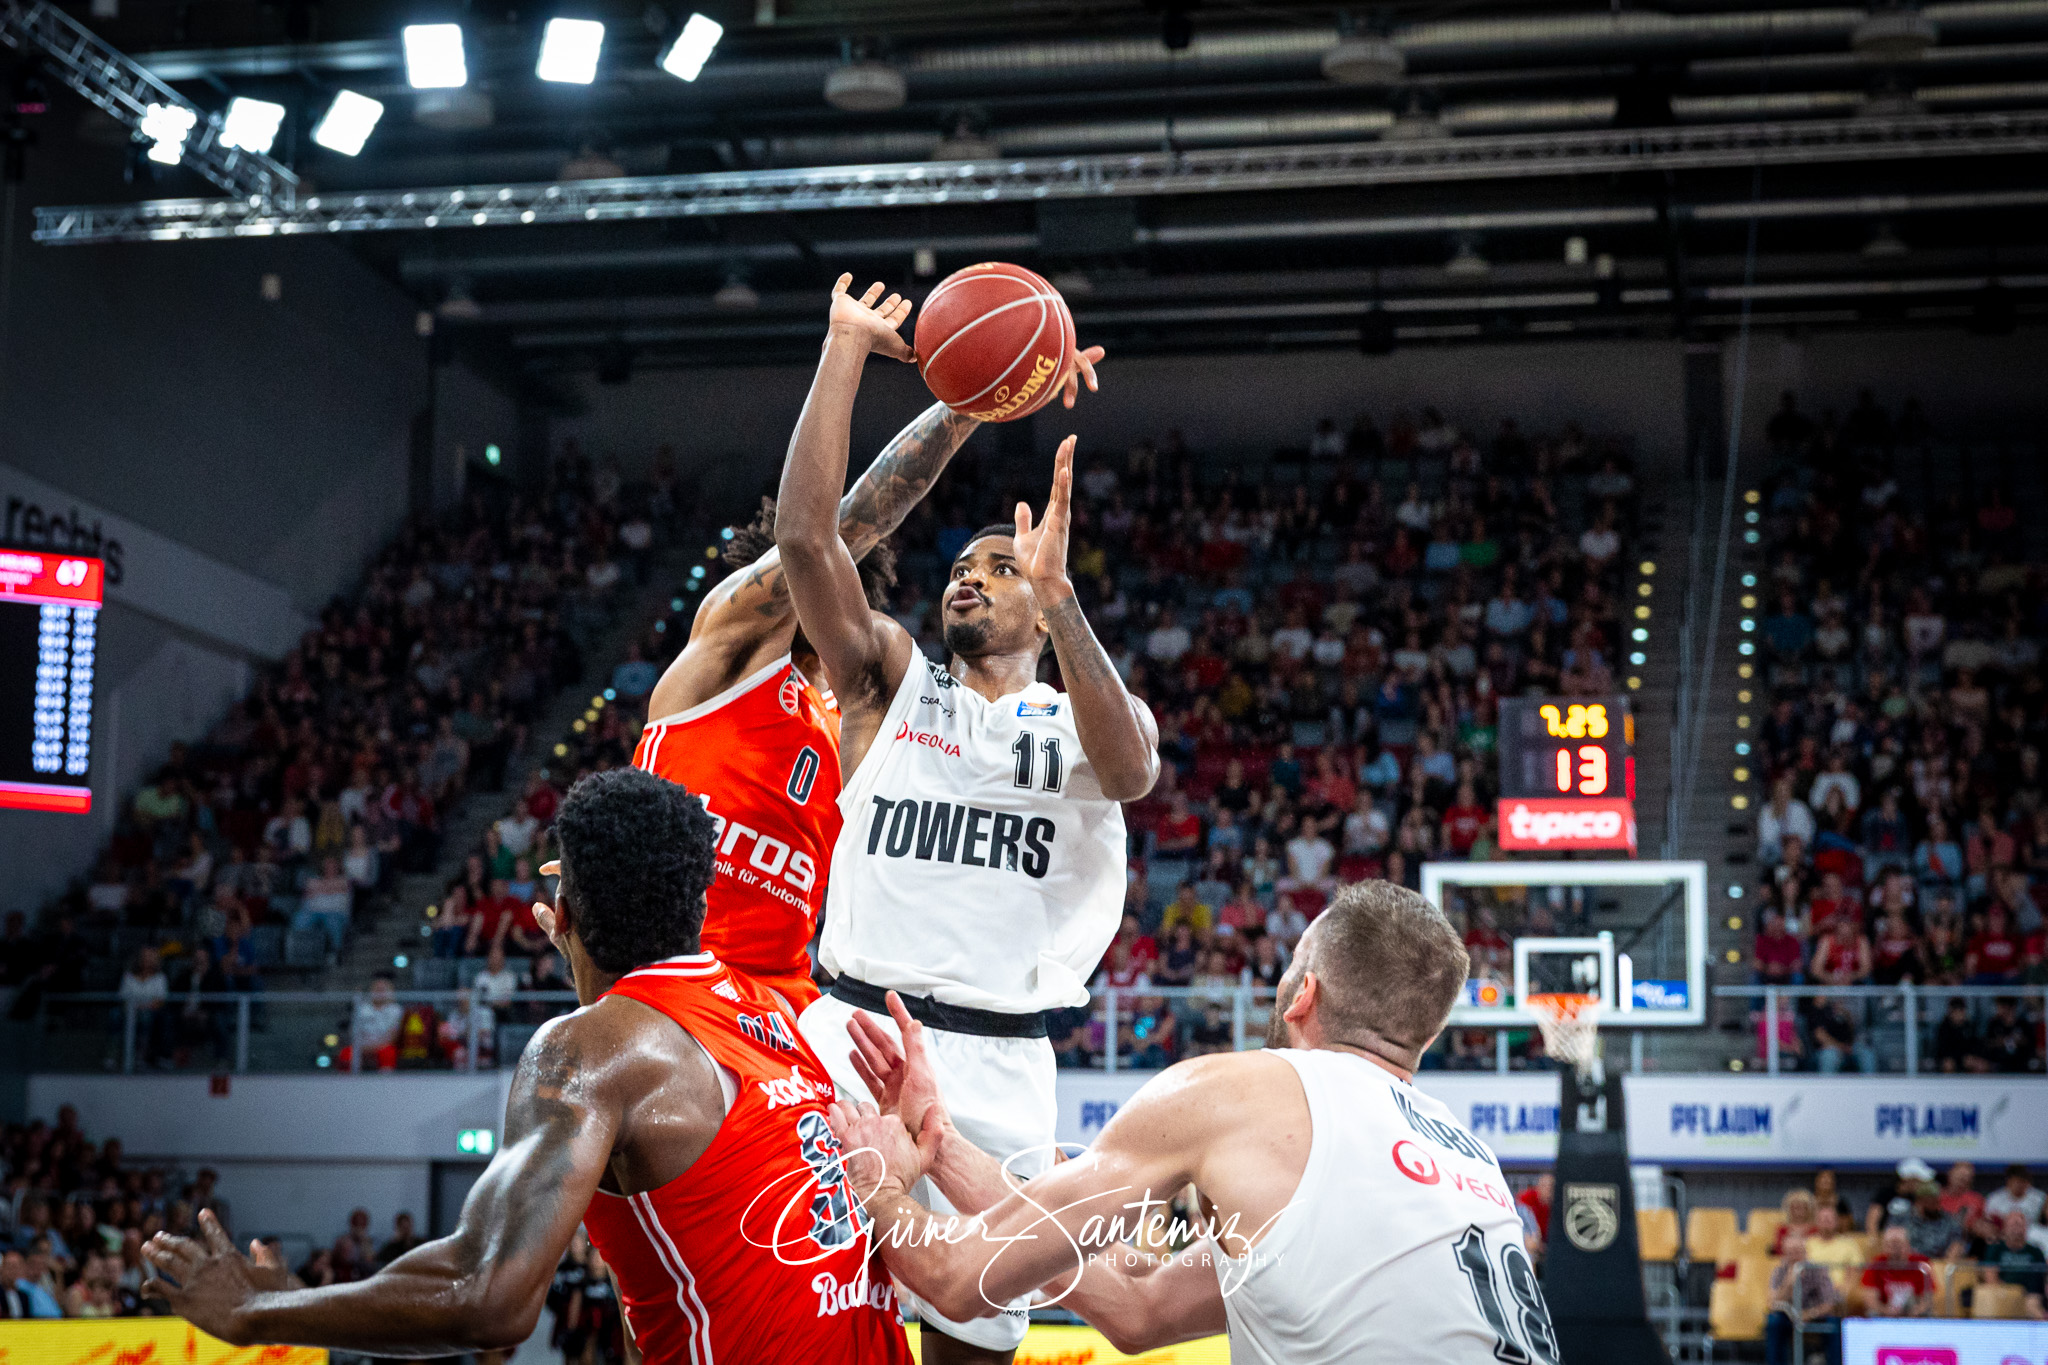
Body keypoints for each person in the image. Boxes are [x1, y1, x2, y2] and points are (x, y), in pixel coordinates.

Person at [141, 767, 909, 1363]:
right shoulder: (773, 1013)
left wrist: (259, 1310)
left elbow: (490, 1295)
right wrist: (594, 951)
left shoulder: (587, 1050)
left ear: (563, 912)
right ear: (699, 905)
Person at [774, 277, 1132, 1361]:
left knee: (975, 1344)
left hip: (1001, 1065)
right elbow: (802, 541)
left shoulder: (1082, 721)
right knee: (790, 1314)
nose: (970, 578)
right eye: (961, 566)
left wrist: (1061, 599)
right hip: (850, 1033)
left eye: (999, 566)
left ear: (1044, 594)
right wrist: (846, 348)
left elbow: (1132, 773)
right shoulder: (891, 685)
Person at [828, 880, 1557, 1363]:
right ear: (1422, 1038)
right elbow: (1138, 1303)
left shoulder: (1243, 1091)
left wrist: (879, 1179)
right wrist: (943, 1144)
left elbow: (961, 1277)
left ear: (1303, 995)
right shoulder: (1470, 1161)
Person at [631, 307, 1029, 1012]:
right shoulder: (731, 644)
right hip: (669, 981)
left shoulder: (863, 711)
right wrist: (966, 401)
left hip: (782, 1003)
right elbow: (829, 528)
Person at [1767, 1230, 1842, 1365]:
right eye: (1790, 1253)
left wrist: (1809, 1314)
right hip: (1789, 1316)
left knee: (1834, 1323)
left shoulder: (1819, 1270)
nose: (1794, 1257)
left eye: (1797, 1252)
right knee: (1773, 1322)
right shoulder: (1779, 1271)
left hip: (1816, 1315)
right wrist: (1788, 1283)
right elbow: (1772, 1303)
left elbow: (1829, 1303)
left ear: (1805, 1252)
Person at [1980, 1210, 2047, 1318]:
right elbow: (1990, 1277)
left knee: (2032, 1304)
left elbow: (2044, 1278)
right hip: (2004, 1293)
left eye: (2019, 1224)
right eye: (2012, 1224)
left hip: (2033, 1295)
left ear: (2025, 1228)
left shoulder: (2035, 1251)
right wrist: (2012, 1293)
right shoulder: (1995, 1248)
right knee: (2030, 1306)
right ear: (2005, 1228)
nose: (2016, 1229)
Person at [1859, 1226, 1933, 1317]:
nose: (1894, 1248)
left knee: (1928, 1313)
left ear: (1907, 1244)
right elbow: (1870, 1298)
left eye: (1898, 1243)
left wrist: (1914, 1312)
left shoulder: (1921, 1265)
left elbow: (1927, 1299)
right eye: (1890, 1244)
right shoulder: (1876, 1265)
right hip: (1884, 1314)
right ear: (1884, 1246)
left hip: (1913, 1314)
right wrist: (1886, 1311)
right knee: (1871, 1313)